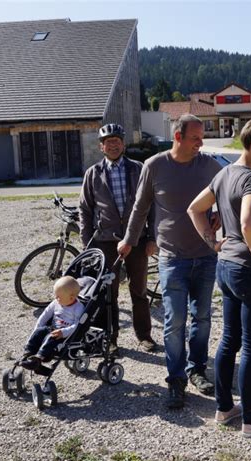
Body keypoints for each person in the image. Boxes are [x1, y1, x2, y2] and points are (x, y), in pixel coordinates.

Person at [188, 116, 251, 438]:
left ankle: (224, 408)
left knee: (229, 340)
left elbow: (194, 209)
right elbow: (247, 223)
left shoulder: (224, 174)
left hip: (226, 267)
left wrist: (213, 244)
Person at [117, 114, 222, 409]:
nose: (201, 144)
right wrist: (129, 240)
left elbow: (231, 196)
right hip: (172, 257)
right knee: (174, 320)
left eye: (202, 138)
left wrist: (220, 217)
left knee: (201, 319)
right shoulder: (155, 166)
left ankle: (197, 370)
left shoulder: (210, 166)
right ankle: (176, 379)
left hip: (205, 255)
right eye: (195, 138)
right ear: (178, 137)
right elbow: (140, 208)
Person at [79, 123, 157, 355]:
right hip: (105, 241)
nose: (113, 145)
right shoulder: (93, 174)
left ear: (123, 144)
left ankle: (144, 336)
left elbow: (152, 207)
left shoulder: (139, 169)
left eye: (117, 141)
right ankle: (109, 339)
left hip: (137, 240)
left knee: (139, 290)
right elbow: (85, 210)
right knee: (107, 293)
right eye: (108, 142)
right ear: (101, 147)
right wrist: (87, 246)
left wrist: (152, 237)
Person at [21, 276, 85, 371]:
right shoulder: (56, 302)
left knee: (50, 338)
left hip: (64, 334)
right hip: (52, 327)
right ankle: (28, 352)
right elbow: (45, 315)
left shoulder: (78, 308)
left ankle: (39, 357)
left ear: (71, 298)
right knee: (39, 331)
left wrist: (63, 332)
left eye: (58, 297)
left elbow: (77, 325)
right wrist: (38, 328)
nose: (56, 298)